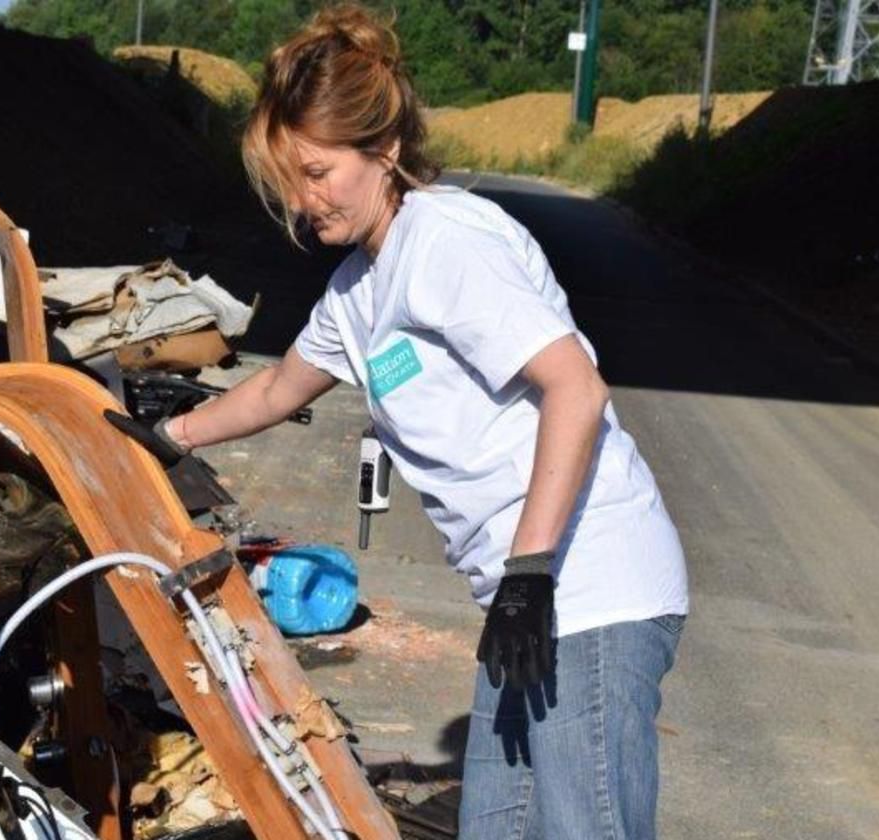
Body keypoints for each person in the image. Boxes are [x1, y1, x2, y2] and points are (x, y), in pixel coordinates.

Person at [122, 5, 689, 838]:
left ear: (383, 151)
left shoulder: (446, 240)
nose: (305, 202)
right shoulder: (359, 289)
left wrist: (530, 573)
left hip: (588, 580)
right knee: (495, 825)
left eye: (318, 173)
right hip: (525, 596)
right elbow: (280, 386)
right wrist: (169, 439)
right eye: (290, 183)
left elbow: (576, 387)